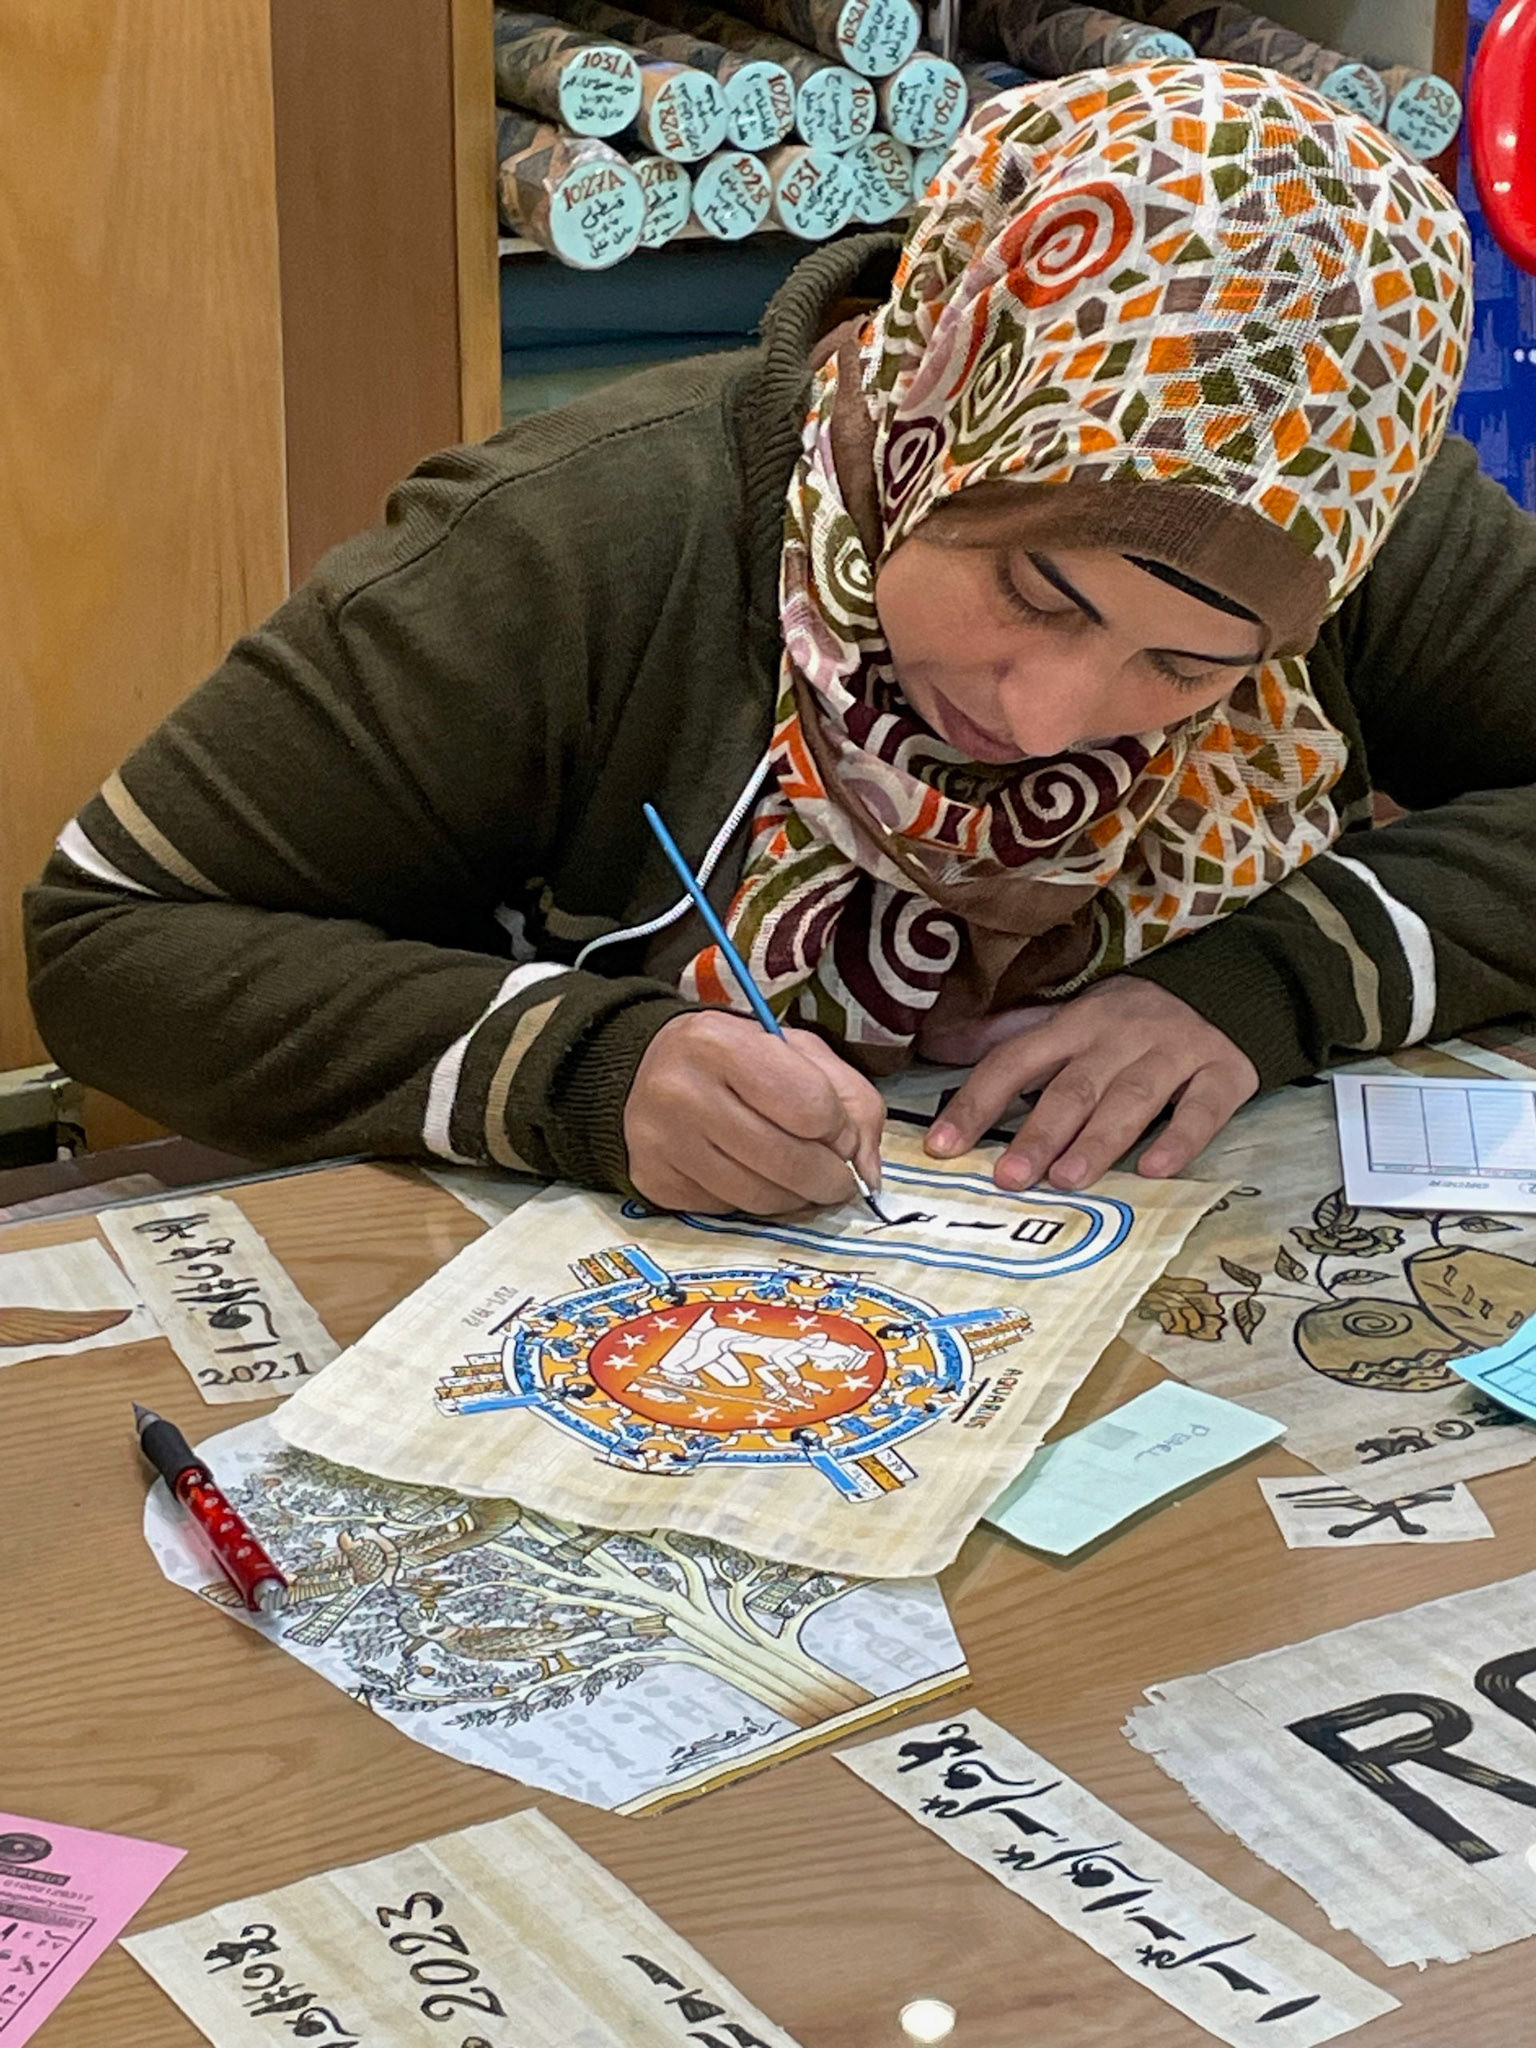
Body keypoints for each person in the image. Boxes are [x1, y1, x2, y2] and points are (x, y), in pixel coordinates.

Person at [25, 63, 1528, 1221]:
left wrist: (1277, 979)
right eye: (1041, 594)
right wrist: (581, 1073)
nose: (1057, 712)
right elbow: (112, 935)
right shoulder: (577, 548)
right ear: (946, 395)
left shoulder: (1346, 518)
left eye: (1190, 671)